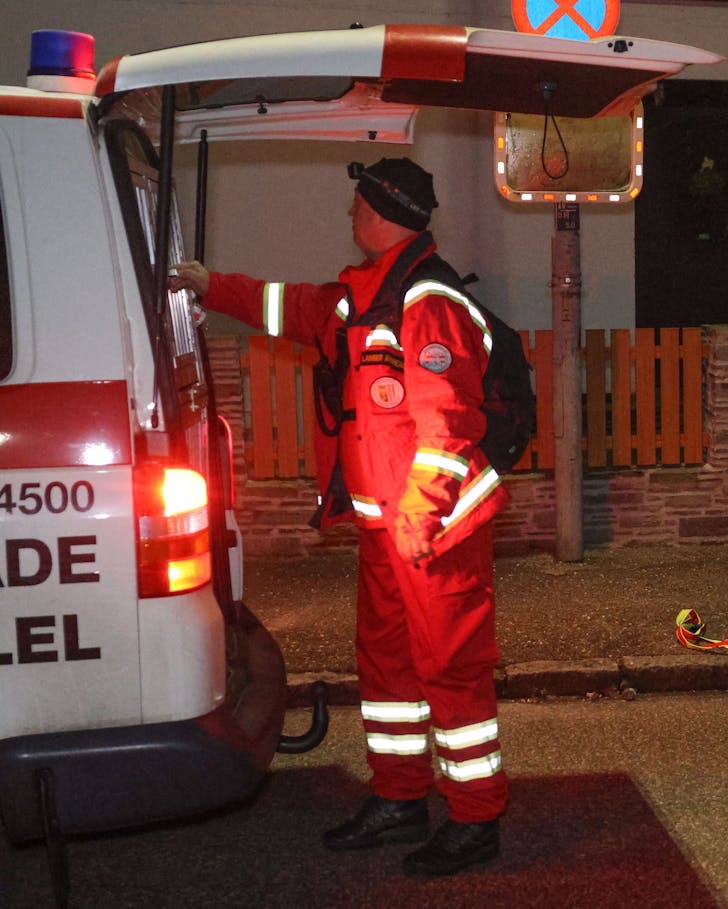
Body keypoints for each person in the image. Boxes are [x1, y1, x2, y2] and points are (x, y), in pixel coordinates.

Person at [169, 157, 510, 878]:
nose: (348, 216)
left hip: (433, 529)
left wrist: (419, 513)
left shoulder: (427, 301)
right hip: (390, 529)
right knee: (386, 664)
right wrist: (209, 284)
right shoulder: (365, 294)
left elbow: (449, 426)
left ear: (383, 212)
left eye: (356, 205)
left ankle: (477, 818)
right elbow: (288, 309)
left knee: (451, 668)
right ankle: (400, 798)